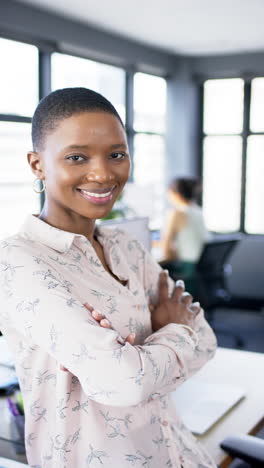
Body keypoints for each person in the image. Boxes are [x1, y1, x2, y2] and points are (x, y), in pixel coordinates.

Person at [0, 88, 217, 468]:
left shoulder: (126, 245)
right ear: (37, 165)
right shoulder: (18, 262)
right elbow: (124, 383)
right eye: (77, 157)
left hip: (175, 450)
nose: (102, 173)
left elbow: (207, 343)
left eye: (116, 154)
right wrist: (173, 331)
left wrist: (134, 358)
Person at [161, 177, 210, 294]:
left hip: (186, 271)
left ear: (175, 194)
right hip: (201, 268)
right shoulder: (198, 211)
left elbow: (166, 251)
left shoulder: (177, 213)